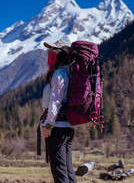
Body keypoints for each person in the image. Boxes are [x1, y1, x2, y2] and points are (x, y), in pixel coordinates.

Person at [42, 40, 77, 183]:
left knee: (60, 173)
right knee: (68, 172)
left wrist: (48, 124)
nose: (51, 53)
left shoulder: (59, 74)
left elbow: (55, 101)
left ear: (60, 53)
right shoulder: (70, 73)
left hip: (57, 128)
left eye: (53, 50)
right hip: (67, 128)